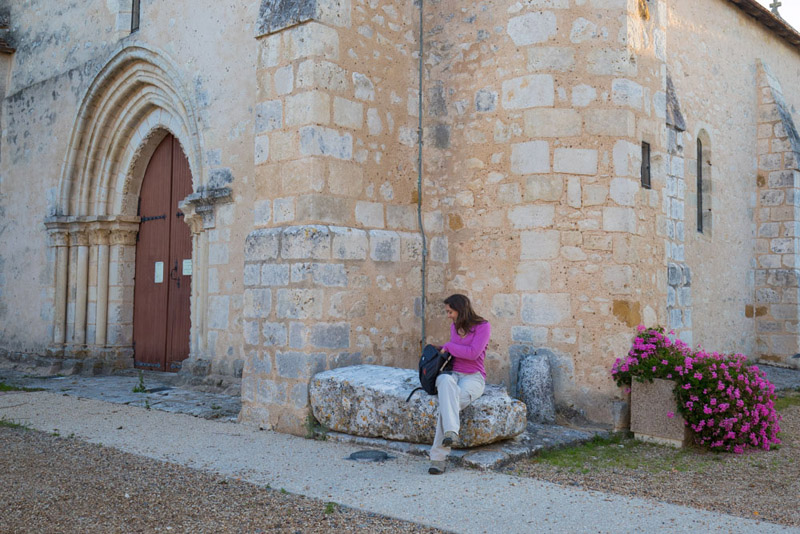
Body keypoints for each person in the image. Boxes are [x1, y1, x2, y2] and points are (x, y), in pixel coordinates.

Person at [428, 294, 490, 475]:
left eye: (450, 311)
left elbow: (473, 353)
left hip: (473, 377)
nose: (448, 315)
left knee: (448, 404)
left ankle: (438, 458)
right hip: (452, 375)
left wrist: (448, 346)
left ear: (460, 309)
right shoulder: (454, 327)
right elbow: (454, 351)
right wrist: (440, 347)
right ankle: (451, 432)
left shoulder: (482, 327)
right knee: (445, 381)